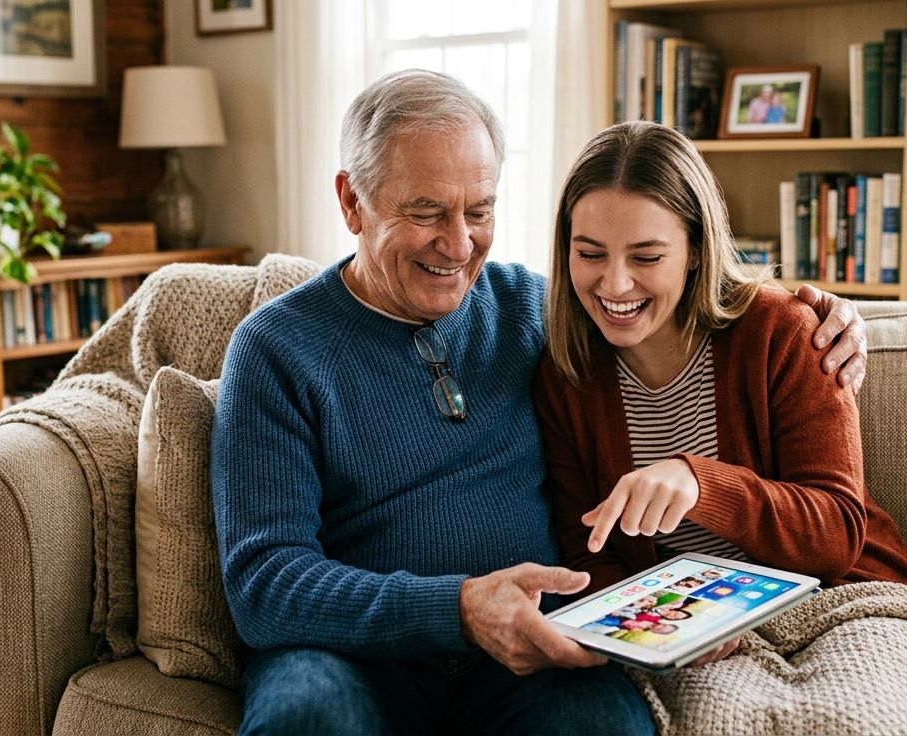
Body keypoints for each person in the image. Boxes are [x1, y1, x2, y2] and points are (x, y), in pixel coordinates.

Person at [212, 71, 869, 734]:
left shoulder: (538, 311)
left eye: (480, 211)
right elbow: (265, 584)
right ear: (351, 201)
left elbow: (657, 301)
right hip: (352, 654)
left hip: (535, 646)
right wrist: (461, 609)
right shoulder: (276, 349)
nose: (460, 243)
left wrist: (833, 315)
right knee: (305, 719)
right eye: (426, 212)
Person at [532, 121, 907, 669]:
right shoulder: (566, 375)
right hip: (686, 630)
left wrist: (701, 484)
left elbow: (836, 534)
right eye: (589, 254)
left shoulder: (785, 333)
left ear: (697, 250)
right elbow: (589, 553)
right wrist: (656, 626)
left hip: (845, 600)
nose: (614, 285)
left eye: (647, 258)